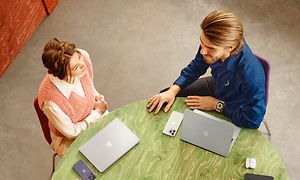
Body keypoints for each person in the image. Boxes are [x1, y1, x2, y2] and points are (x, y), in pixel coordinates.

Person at [147, 9, 266, 129]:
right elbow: (197, 66)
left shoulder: (252, 78)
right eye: (202, 43)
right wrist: (172, 91)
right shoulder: (214, 40)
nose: (203, 51)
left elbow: (252, 121)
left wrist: (217, 105)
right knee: (165, 95)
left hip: (234, 105)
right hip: (218, 84)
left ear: (229, 48)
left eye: (210, 48)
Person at [38, 38, 108, 156]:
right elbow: (71, 132)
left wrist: (96, 96)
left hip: (93, 113)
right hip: (67, 139)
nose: (83, 65)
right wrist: (97, 113)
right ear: (62, 74)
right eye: (75, 67)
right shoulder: (50, 101)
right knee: (98, 161)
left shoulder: (83, 56)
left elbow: (89, 84)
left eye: (79, 57)